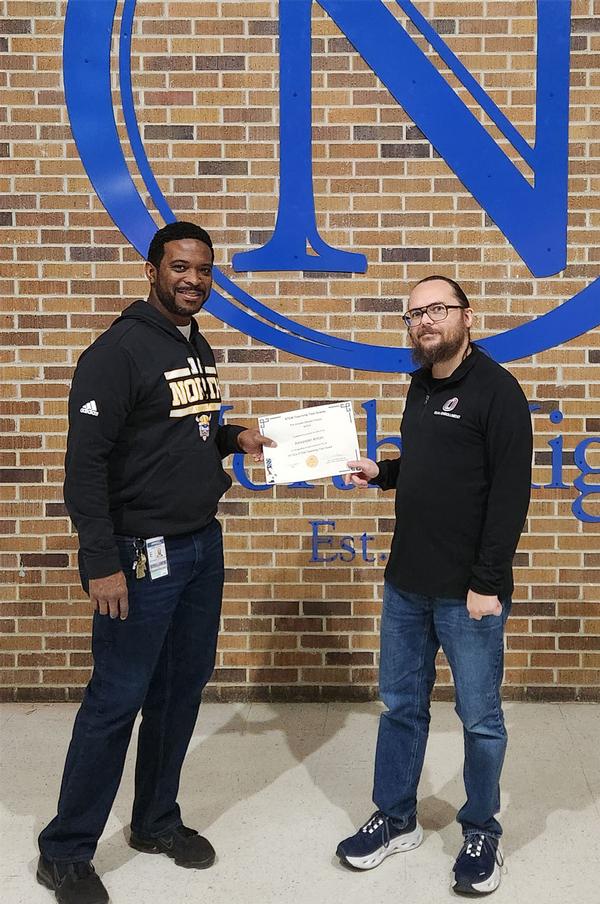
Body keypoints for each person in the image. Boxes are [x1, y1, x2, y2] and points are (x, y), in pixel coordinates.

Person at [37, 221, 273, 904]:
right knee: (116, 700)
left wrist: (234, 435)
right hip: (141, 557)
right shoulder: (117, 352)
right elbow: (84, 469)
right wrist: (101, 562)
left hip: (201, 545)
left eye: (203, 269)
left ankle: (154, 821)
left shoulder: (193, 343)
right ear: (152, 269)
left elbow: (183, 431)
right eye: (180, 267)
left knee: (179, 691)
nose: (193, 279)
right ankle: (66, 851)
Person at [336, 276, 532, 896]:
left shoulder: (497, 391)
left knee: (479, 720)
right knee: (400, 709)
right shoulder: (421, 385)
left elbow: (508, 498)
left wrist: (487, 583)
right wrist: (384, 472)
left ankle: (482, 829)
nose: (425, 321)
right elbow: (432, 468)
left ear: (466, 317)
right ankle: (396, 819)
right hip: (406, 585)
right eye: (415, 314)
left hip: (466, 592)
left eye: (438, 310)